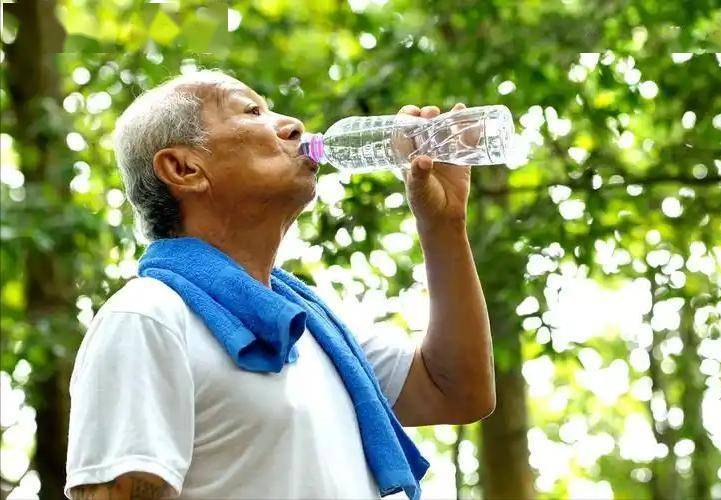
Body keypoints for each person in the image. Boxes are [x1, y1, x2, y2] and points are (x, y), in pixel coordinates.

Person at [65, 69, 495, 499]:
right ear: (183, 168)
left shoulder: (316, 331)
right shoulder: (149, 316)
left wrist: (444, 224)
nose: (293, 125)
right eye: (252, 111)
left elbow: (458, 391)